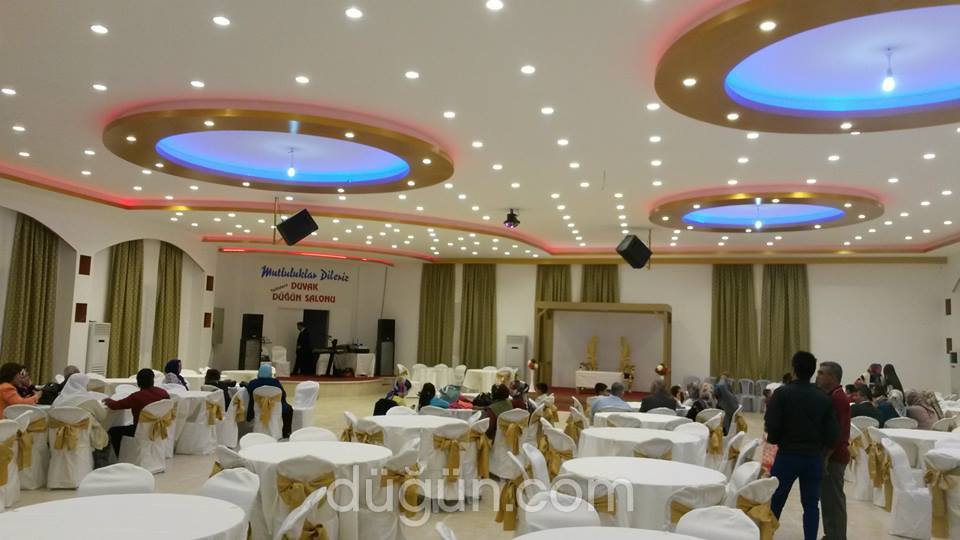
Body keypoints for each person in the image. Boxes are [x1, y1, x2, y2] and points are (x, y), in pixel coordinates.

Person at [765, 351, 839, 540]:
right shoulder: (824, 398)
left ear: (793, 369)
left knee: (776, 500)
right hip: (813, 457)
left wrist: (775, 439)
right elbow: (833, 434)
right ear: (813, 371)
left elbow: (772, 425)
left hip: (787, 455)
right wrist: (823, 452)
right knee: (811, 505)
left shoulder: (782, 394)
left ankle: (767, 535)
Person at [816, 361, 850, 540]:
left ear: (832, 377)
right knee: (828, 499)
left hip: (834, 457)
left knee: (834, 499)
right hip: (831, 455)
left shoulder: (838, 398)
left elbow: (838, 432)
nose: (818, 376)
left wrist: (826, 456)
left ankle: (837, 536)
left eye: (821, 373)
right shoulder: (832, 395)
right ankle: (831, 534)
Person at [104, 369, 171, 455]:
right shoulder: (163, 393)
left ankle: (120, 456)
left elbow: (115, 405)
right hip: (159, 428)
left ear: (138, 382)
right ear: (152, 380)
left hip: (140, 430)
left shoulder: (137, 397)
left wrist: (109, 401)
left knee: (113, 431)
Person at [244, 364, 293, 438]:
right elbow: (283, 395)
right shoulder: (276, 383)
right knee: (289, 409)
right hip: (274, 409)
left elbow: (249, 392)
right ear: (270, 373)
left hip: (258, 409)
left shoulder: (253, 383)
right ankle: (286, 433)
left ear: (259, 373)